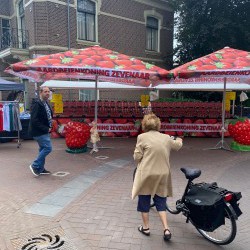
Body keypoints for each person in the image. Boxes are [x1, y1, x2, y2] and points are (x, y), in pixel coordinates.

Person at [132, 113, 183, 241]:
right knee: (161, 202)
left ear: (145, 125)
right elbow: (178, 145)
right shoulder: (166, 138)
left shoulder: (141, 137)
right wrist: (179, 139)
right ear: (158, 125)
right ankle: (166, 229)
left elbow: (136, 157)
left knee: (144, 200)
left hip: (147, 174)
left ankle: (146, 228)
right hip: (163, 174)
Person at [29, 86, 53, 176]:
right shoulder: (37, 103)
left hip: (44, 131)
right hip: (39, 131)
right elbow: (34, 120)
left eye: (48, 91)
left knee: (43, 148)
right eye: (45, 91)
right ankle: (35, 165)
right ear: (41, 93)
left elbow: (47, 115)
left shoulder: (46, 103)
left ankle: (40, 168)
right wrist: (46, 128)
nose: (47, 93)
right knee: (48, 148)